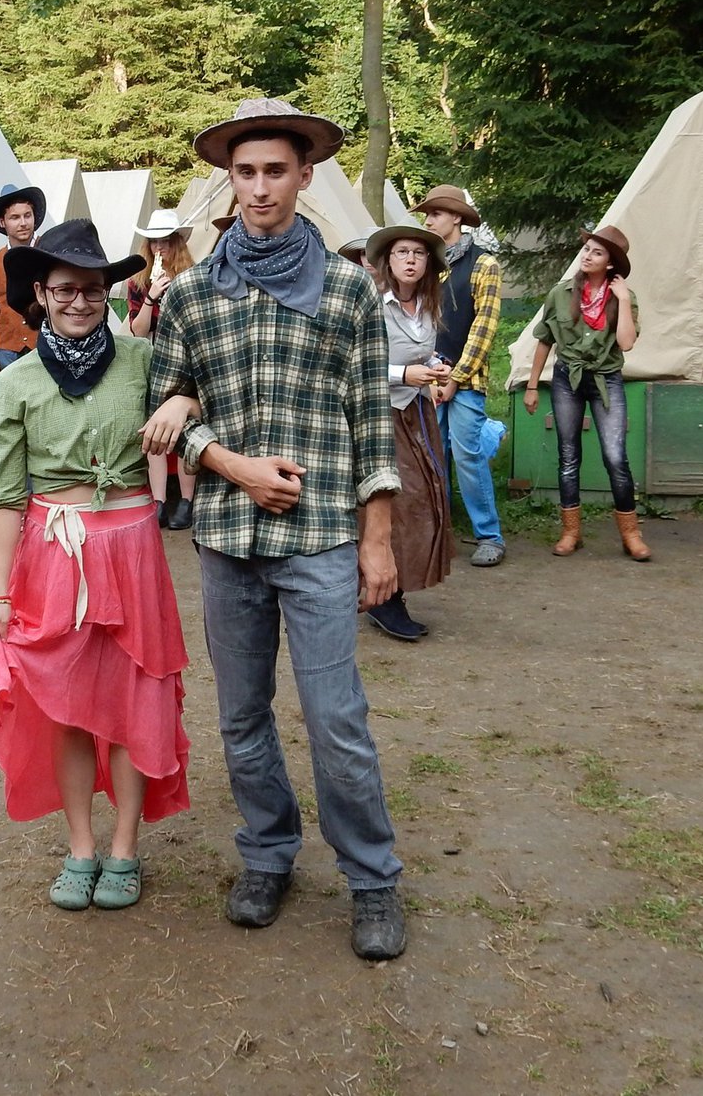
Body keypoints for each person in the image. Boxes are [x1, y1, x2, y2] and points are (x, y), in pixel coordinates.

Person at [145, 96, 407, 962]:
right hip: (227, 538)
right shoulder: (192, 295)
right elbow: (166, 406)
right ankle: (266, 854)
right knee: (241, 716)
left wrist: (377, 540)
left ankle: (372, 878)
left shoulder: (348, 289)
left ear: (304, 178)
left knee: (337, 719)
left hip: (322, 536)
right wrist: (229, 463)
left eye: (276, 172)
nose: (259, 188)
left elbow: (372, 422)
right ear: (230, 180)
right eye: (246, 172)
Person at [0, 219, 189, 910]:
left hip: (132, 548)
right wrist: (0, 593)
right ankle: (80, 848)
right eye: (66, 289)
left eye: (93, 290)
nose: (80, 301)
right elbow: (6, 495)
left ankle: (125, 849)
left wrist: (184, 397)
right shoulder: (16, 382)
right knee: (64, 706)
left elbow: (199, 387)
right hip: (53, 554)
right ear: (41, 294)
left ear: (107, 293)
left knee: (134, 700)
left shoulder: (143, 360)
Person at [523, 225, 648, 560]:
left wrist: (623, 300)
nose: (587, 256)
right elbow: (545, 341)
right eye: (587, 249)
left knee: (615, 457)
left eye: (597, 252)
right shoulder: (561, 293)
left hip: (607, 379)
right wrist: (532, 386)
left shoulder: (624, 297)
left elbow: (626, 343)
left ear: (610, 263)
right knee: (568, 455)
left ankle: (631, 535)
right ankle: (571, 532)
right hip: (568, 378)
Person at [364, 225, 454, 642]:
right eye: (402, 252)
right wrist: (404, 374)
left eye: (418, 253)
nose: (411, 260)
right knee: (398, 502)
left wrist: (436, 367)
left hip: (417, 414)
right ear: (389, 260)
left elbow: (424, 352)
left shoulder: (428, 305)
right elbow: (357, 363)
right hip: (381, 415)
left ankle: (389, 591)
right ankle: (383, 597)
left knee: (425, 500)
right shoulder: (372, 304)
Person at [415, 185, 507, 568]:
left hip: (466, 380)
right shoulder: (427, 265)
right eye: (427, 214)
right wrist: (431, 374)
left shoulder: (484, 264)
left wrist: (456, 377)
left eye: (435, 214)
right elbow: (419, 321)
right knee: (432, 456)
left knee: (468, 455)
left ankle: (489, 536)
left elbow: (484, 328)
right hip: (429, 376)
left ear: (456, 218)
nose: (428, 221)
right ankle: (440, 533)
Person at [125, 209, 198, 530]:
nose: (160, 247)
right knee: (154, 427)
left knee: (184, 428)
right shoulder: (137, 281)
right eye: (154, 241)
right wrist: (151, 298)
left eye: (166, 240)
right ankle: (158, 501)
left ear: (177, 242)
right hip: (153, 360)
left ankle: (186, 501)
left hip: (186, 360)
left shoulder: (193, 277)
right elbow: (137, 332)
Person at [0, 183, 46, 380]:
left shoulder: (51, 253)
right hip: (7, 354)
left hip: (46, 349)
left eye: (27, 215)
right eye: (15, 217)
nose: (23, 223)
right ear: (2, 222)